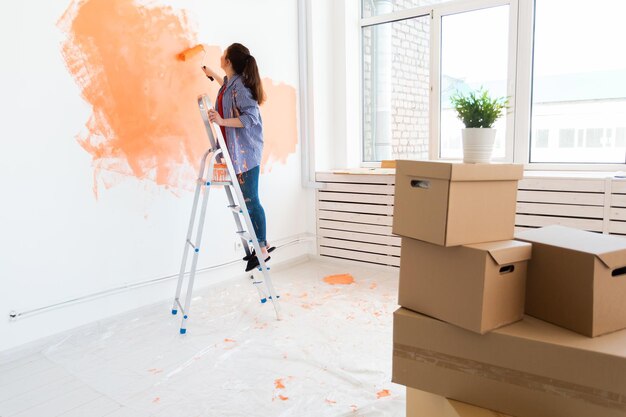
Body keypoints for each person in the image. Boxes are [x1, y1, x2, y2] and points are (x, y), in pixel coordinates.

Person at [202, 43, 274, 272]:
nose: (220, 57)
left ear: (230, 61)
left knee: (251, 199)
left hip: (247, 153)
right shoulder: (231, 83)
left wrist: (222, 122)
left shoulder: (240, 87)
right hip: (237, 152)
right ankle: (264, 243)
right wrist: (211, 74)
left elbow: (251, 118)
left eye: (223, 56)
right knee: (247, 200)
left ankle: (262, 248)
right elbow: (225, 85)